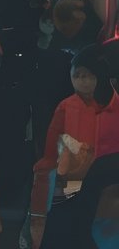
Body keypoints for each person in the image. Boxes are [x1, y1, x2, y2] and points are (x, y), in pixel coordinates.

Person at [29, 48, 119, 248]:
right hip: (72, 178)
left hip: (107, 184)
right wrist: (48, 163)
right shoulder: (67, 106)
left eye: (87, 76)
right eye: (76, 76)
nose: (81, 81)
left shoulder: (115, 106)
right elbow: (53, 140)